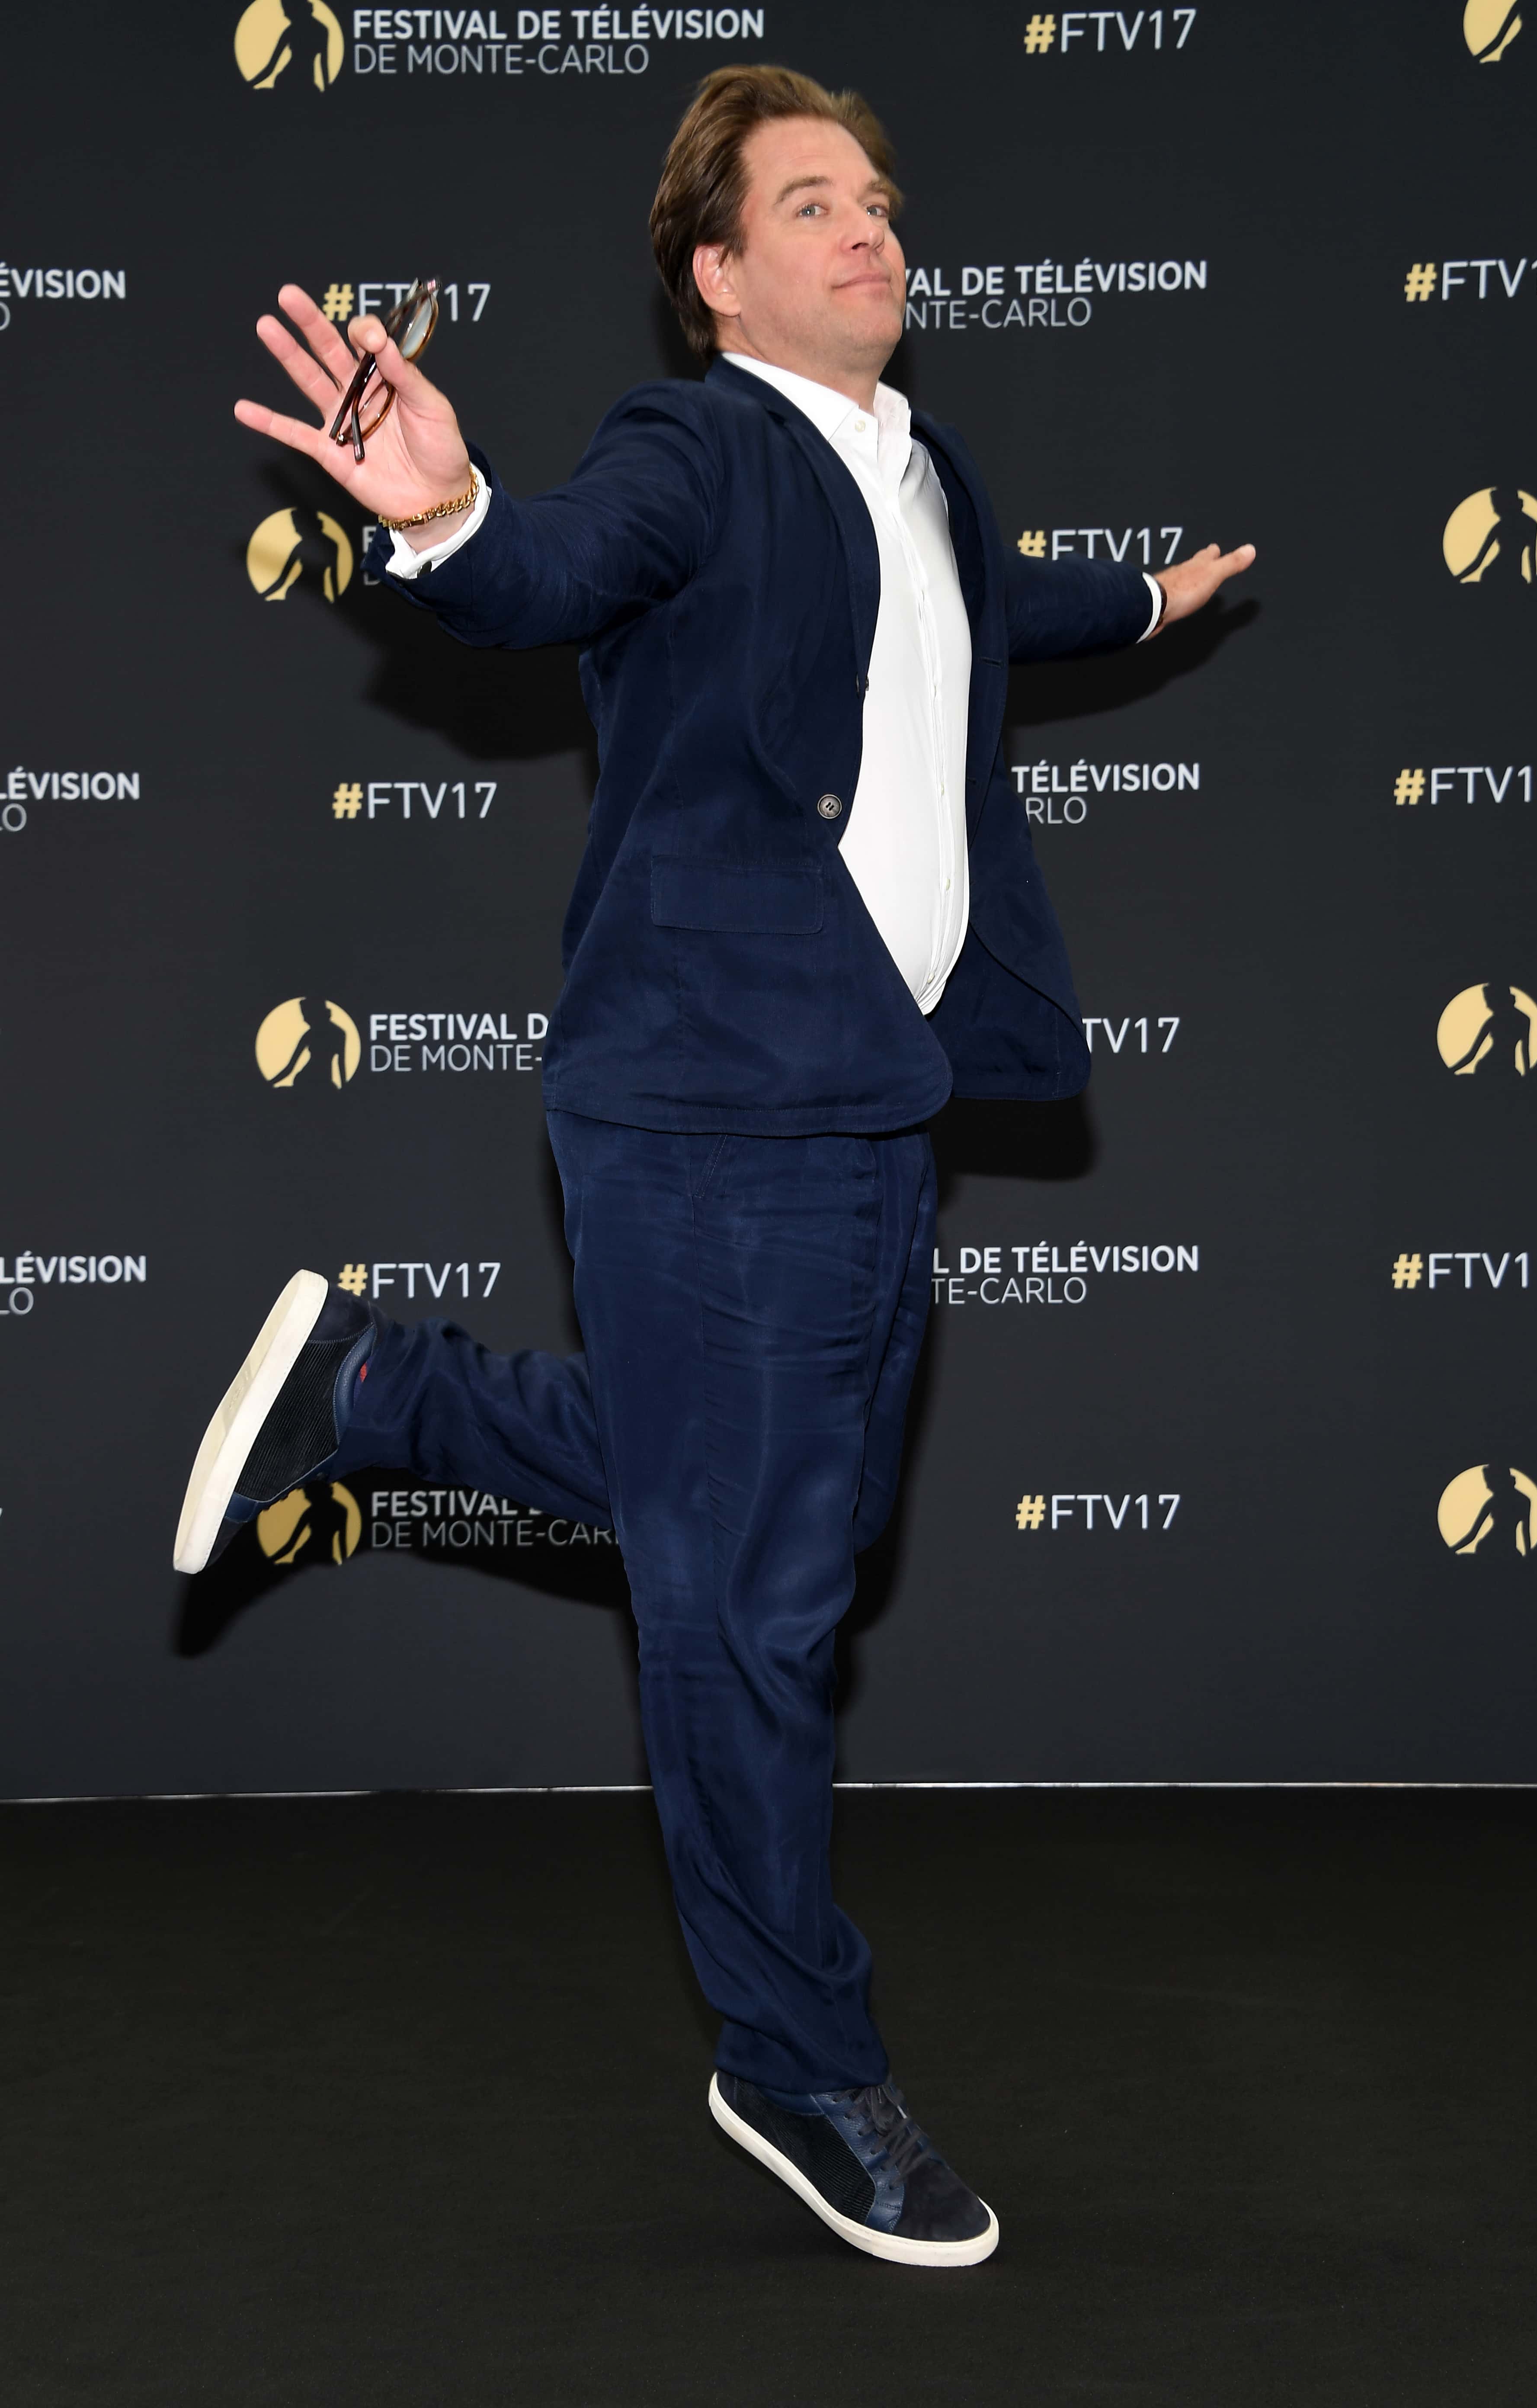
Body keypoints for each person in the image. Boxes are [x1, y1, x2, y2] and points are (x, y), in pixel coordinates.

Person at [178, 64, 1254, 2268]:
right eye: (809, 203)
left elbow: (978, 605)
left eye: (877, 192)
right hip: (708, 1096)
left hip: (868, 1102)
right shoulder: (699, 446)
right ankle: (790, 2056)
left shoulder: (925, 462)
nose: (867, 227)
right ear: (719, 277)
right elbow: (552, 567)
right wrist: (449, 516)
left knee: (785, 1537)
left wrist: (1136, 603)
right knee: (748, 1607)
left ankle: (388, 1398)